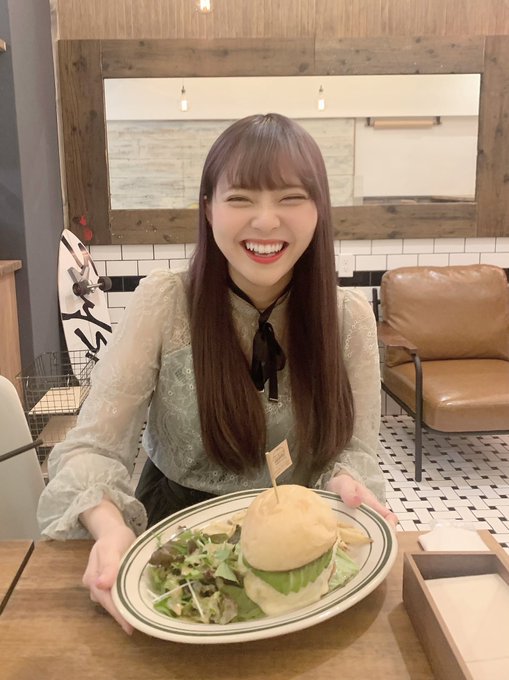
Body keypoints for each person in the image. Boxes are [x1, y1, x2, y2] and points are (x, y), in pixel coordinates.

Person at [38, 113, 397, 634]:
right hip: (174, 543)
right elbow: (90, 448)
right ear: (208, 209)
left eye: (291, 198)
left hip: (301, 552)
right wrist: (111, 531)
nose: (266, 222)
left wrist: (347, 481)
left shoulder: (348, 319)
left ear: (319, 210)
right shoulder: (164, 303)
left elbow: (357, 451)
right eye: (241, 198)